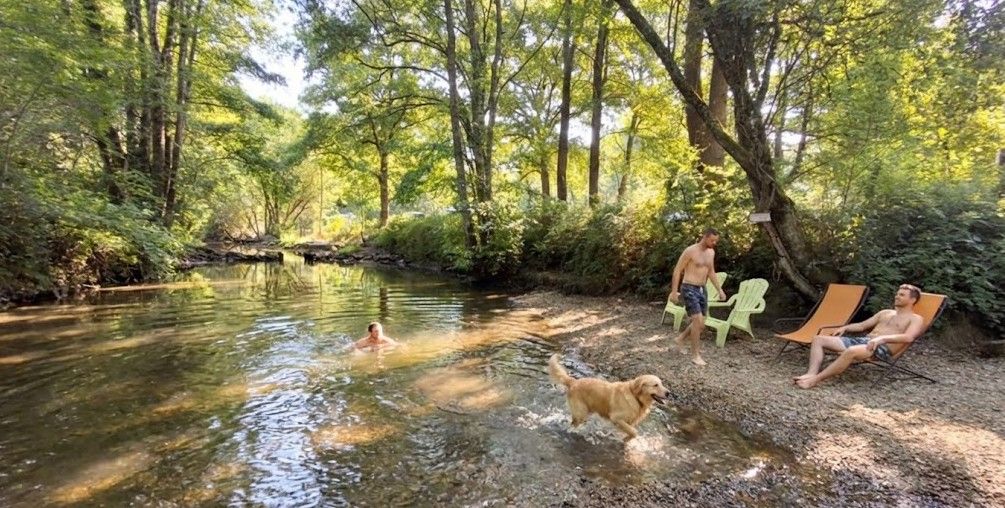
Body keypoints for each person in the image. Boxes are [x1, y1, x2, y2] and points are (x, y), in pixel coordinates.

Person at [794, 284, 925, 389]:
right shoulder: (885, 313)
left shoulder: (915, 319)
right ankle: (811, 372)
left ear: (912, 300)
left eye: (902, 295)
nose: (897, 296)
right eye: (897, 294)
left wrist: (881, 339)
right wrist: (846, 327)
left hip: (882, 348)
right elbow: (862, 326)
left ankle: (814, 380)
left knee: (851, 351)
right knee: (818, 339)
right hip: (864, 341)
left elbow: (908, 337)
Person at [669, 228, 726, 366]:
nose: (714, 243)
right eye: (712, 240)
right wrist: (674, 291)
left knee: (701, 324)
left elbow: (711, 272)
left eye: (715, 241)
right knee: (697, 320)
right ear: (705, 237)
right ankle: (695, 355)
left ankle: (681, 338)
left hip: (702, 289)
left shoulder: (711, 252)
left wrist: (720, 289)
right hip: (689, 287)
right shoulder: (690, 251)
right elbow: (677, 271)